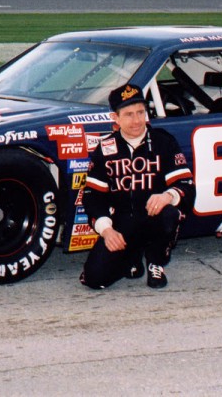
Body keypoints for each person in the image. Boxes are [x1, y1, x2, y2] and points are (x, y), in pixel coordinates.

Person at [80, 83, 195, 290]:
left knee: (170, 213)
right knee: (93, 279)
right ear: (115, 118)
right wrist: (107, 231)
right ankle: (132, 255)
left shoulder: (163, 142)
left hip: (155, 217)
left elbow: (186, 185)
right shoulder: (105, 149)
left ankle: (156, 261)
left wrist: (168, 196)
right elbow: (92, 198)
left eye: (141, 112)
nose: (137, 120)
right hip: (123, 223)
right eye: (129, 114)